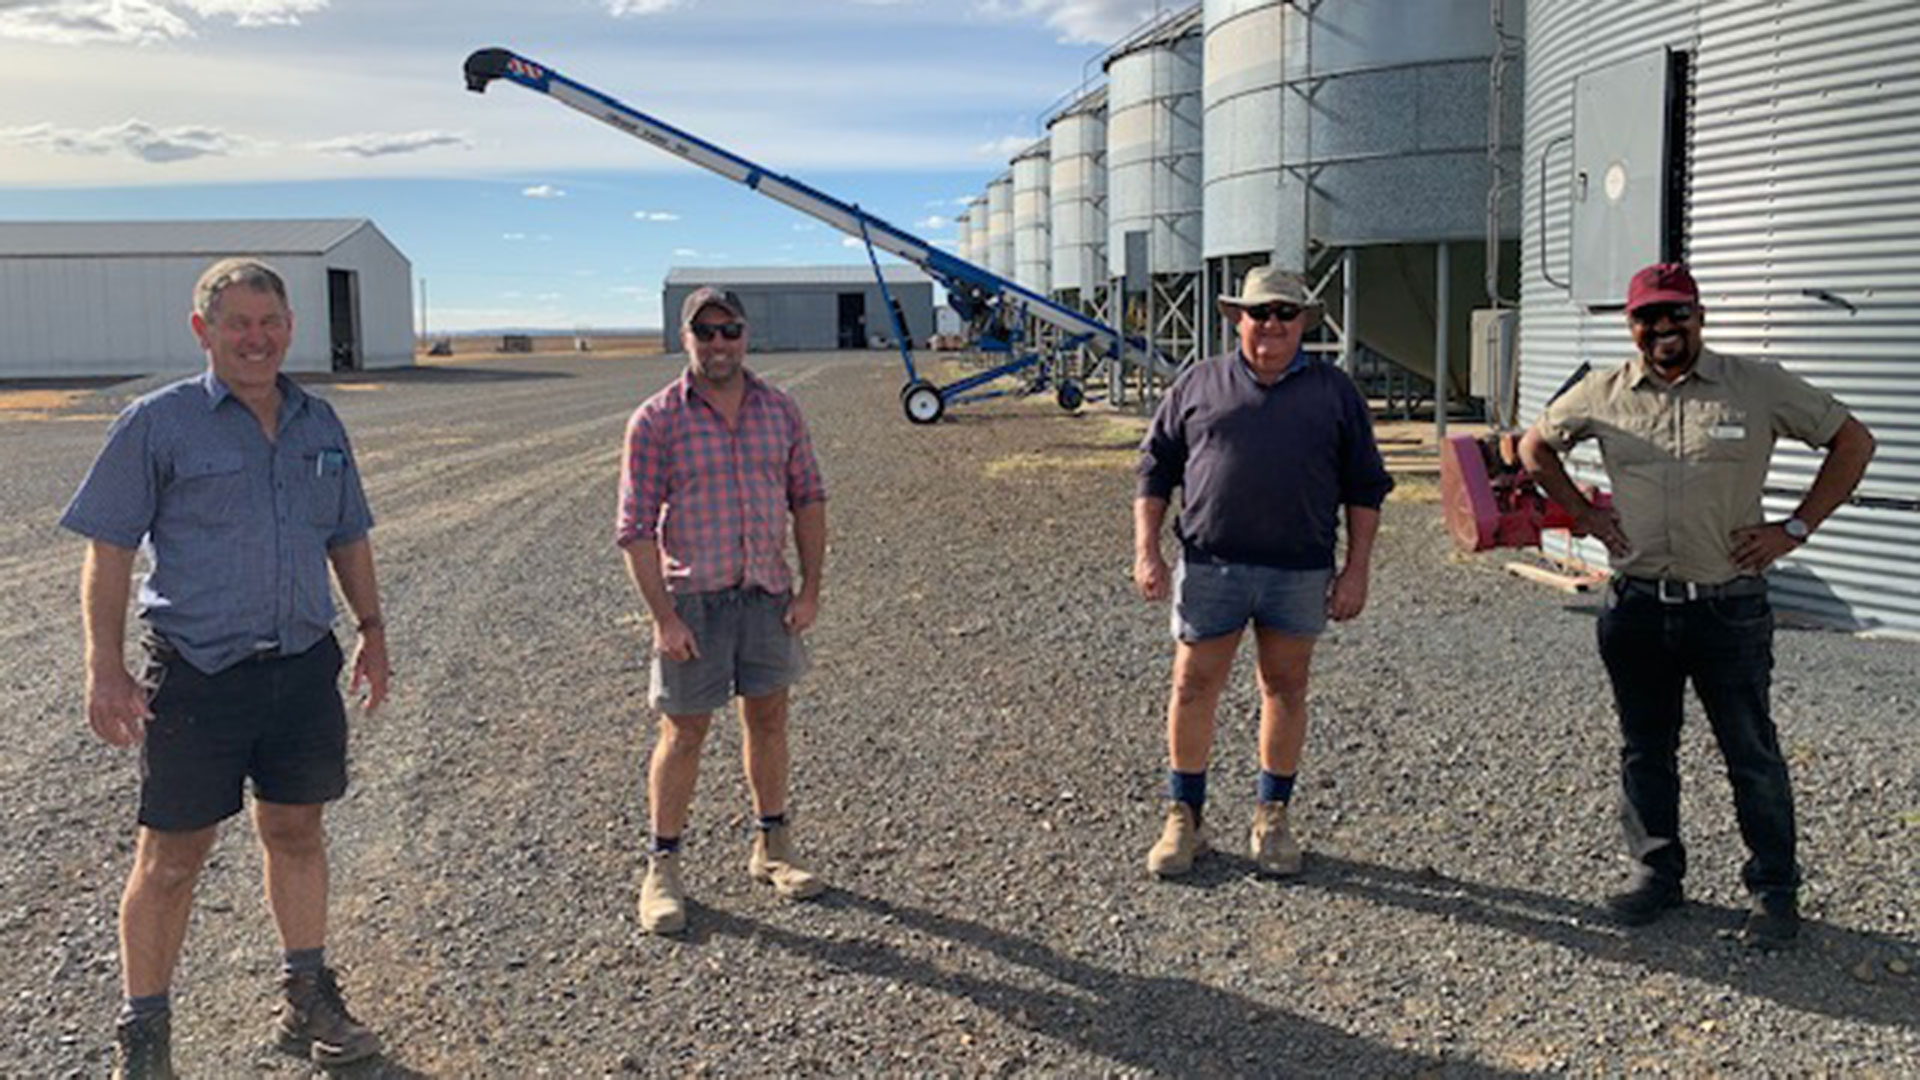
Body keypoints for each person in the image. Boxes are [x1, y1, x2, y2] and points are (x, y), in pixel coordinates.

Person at [62, 258, 391, 1078]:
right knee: (171, 859)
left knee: (296, 830)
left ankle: (305, 997)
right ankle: (144, 1037)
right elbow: (108, 550)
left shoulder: (319, 423)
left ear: (290, 326)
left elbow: (347, 533)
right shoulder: (157, 423)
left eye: (270, 321)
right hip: (199, 676)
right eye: (238, 323)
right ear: (202, 330)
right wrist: (104, 667)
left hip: (301, 671)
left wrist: (373, 628)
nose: (257, 339)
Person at [1519, 262, 1876, 949]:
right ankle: (1656, 875)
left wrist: (1793, 528)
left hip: (1727, 609)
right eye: (1646, 317)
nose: (1662, 328)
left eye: (1675, 313)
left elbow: (1853, 442)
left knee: (1751, 753)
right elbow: (1533, 448)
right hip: (1638, 608)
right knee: (1645, 749)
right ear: (1631, 326)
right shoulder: (1603, 393)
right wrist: (1582, 518)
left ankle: (1774, 891)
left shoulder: (1757, 385)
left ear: (1700, 315)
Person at [1133, 265, 1393, 879]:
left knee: (1285, 688)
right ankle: (1183, 818)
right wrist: (1146, 550)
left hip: (1298, 572)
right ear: (1238, 320)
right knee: (1193, 688)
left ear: (1303, 321)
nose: (1271, 324)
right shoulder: (1198, 383)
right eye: (1259, 313)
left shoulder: (1335, 393)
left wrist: (1356, 572)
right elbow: (1154, 468)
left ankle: (1272, 816)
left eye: (1284, 313)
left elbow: (1366, 487)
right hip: (1211, 566)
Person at [617, 286, 829, 935]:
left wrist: (809, 589)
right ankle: (663, 868)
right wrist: (663, 618)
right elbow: (635, 529)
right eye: (704, 332)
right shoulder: (656, 420)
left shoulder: (780, 410)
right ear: (686, 338)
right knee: (683, 733)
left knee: (768, 721)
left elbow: (809, 499)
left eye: (729, 330)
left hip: (766, 595)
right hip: (696, 605)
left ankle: (772, 847)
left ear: (745, 335)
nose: (718, 343)